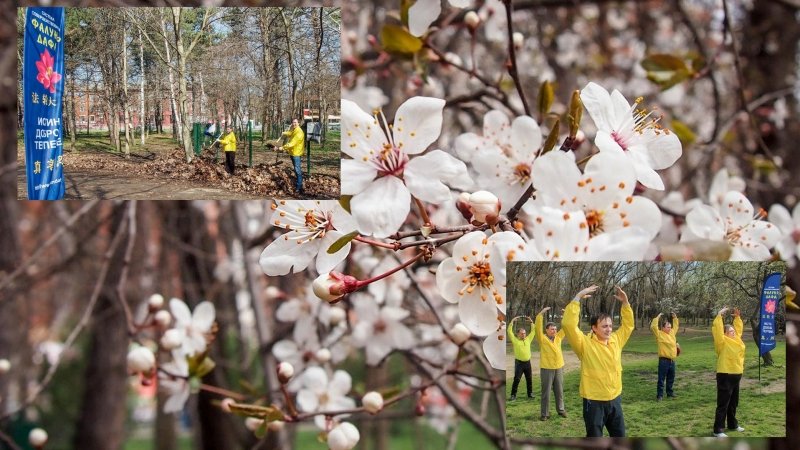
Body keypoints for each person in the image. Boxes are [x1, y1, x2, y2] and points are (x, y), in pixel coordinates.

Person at [562, 285, 633, 437]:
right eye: (604, 326)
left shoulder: (616, 340)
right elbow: (568, 325)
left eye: (610, 325)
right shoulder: (584, 344)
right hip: (593, 402)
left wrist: (625, 304)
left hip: (615, 399)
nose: (608, 329)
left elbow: (628, 326)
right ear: (594, 328)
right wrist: (576, 299)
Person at [712, 307, 746, 437]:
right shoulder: (722, 341)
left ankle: (732, 424)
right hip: (725, 374)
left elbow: (739, 330)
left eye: (733, 331)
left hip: (736, 374)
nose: (733, 333)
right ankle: (718, 429)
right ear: (725, 333)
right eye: (730, 331)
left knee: (733, 402)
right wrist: (719, 316)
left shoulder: (737, 340)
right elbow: (717, 331)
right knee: (723, 403)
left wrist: (737, 318)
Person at [535, 307, 567, 421]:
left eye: (555, 329)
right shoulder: (542, 339)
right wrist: (540, 314)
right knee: (546, 392)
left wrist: (567, 315)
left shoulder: (558, 337)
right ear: (546, 330)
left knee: (559, 390)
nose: (555, 331)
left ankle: (561, 409)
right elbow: (537, 328)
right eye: (552, 329)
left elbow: (567, 327)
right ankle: (544, 414)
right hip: (547, 369)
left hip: (559, 367)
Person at [651, 312, 679, 400]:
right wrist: (657, 317)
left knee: (671, 377)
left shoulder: (672, 333)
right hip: (664, 360)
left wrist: (675, 318)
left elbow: (676, 326)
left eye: (670, 327)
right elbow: (653, 327)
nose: (670, 328)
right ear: (663, 328)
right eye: (668, 327)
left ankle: (669, 392)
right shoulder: (659, 334)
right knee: (661, 378)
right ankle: (659, 395)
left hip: (672, 360)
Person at [507, 315, 535, 401]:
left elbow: (533, 331)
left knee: (529, 378)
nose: (523, 335)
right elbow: (509, 332)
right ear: (518, 334)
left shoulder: (528, 339)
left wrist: (531, 322)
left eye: (524, 333)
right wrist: (512, 321)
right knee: (517, 379)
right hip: (519, 363)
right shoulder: (515, 340)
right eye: (522, 333)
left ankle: (530, 393)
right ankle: (513, 395)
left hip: (527, 363)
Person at [278, 118, 306, 195]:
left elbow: (292, 143)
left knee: (297, 170)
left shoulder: (299, 132)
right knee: (296, 169)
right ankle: (298, 182)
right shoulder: (295, 130)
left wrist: (283, 147)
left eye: (295, 122)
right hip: (293, 153)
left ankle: (299, 187)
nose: (294, 124)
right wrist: (284, 133)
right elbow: (290, 133)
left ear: (298, 123)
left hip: (296, 154)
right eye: (293, 122)